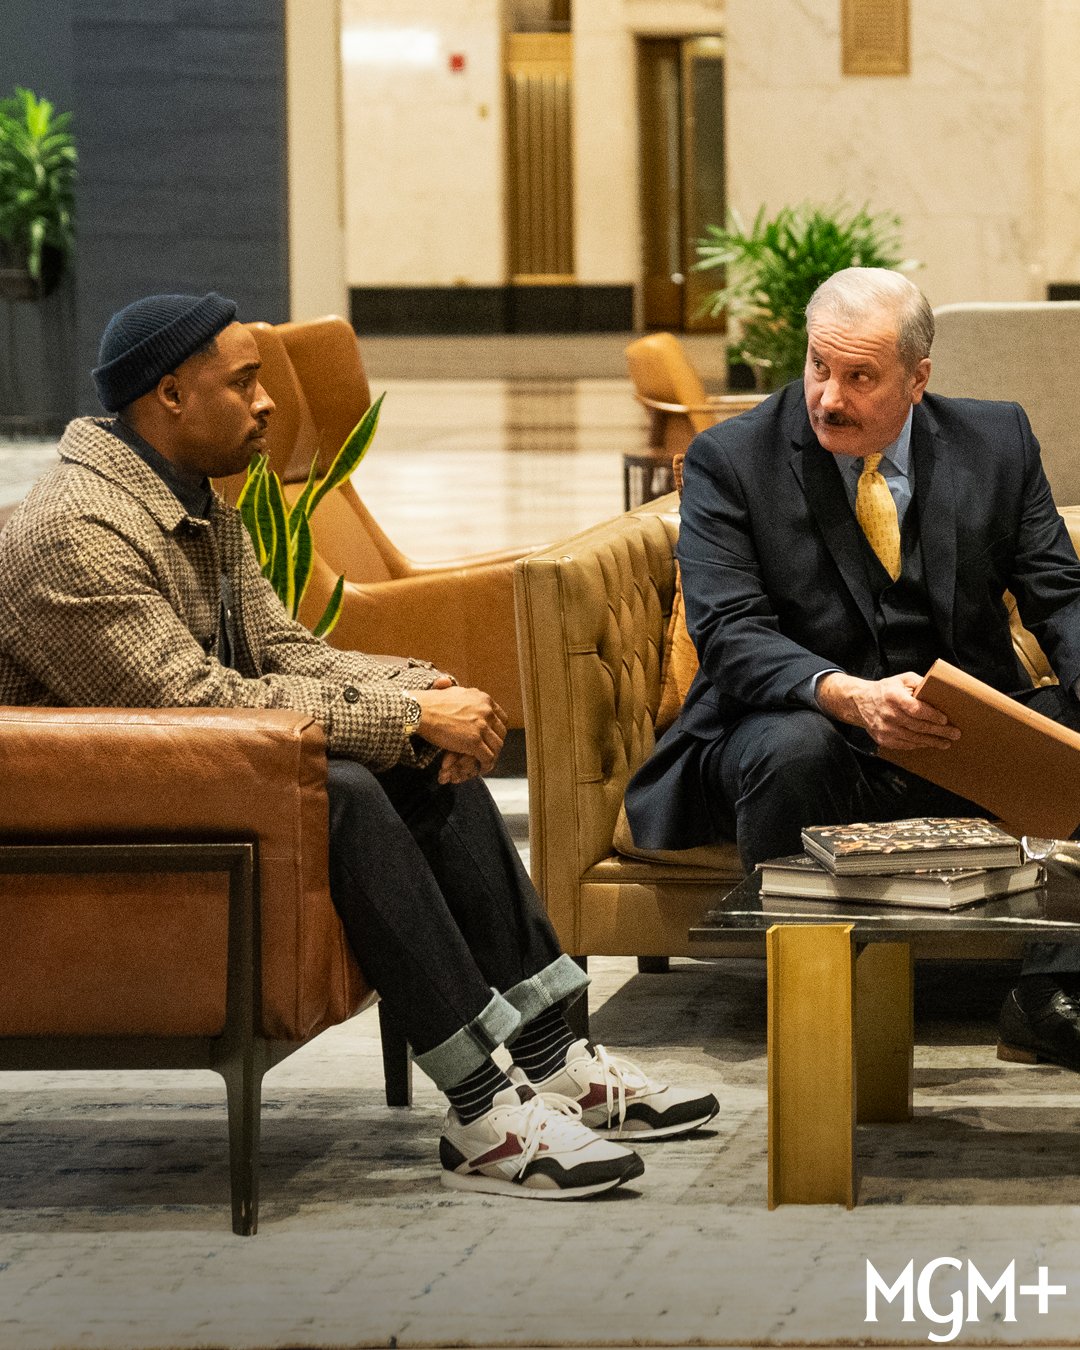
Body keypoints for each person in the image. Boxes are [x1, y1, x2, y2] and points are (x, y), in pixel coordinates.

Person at [0, 291, 719, 1200]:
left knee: (414, 759)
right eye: (244, 383)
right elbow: (191, 702)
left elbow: (287, 649)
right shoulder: (75, 532)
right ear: (170, 394)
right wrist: (407, 721)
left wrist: (423, 692)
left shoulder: (190, 501)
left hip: (195, 777)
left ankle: (554, 1054)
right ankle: (483, 1110)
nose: (267, 404)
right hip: (96, 821)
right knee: (348, 787)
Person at [625, 266, 1080, 1072]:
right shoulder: (733, 459)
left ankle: (1050, 998)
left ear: (918, 378)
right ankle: (812, 1005)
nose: (829, 397)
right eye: (818, 367)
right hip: (807, 735)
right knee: (791, 746)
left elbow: (1060, 598)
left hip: (959, 740)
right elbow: (729, 633)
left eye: (860, 376)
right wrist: (848, 696)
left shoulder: (996, 441)